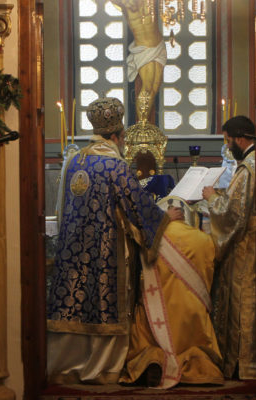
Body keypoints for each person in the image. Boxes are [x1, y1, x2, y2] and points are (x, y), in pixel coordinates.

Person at [47, 97, 184, 384]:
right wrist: (165, 217)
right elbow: (137, 207)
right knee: (103, 303)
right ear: (117, 136)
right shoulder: (115, 165)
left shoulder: (73, 161)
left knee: (74, 301)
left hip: (72, 251)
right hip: (105, 252)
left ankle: (63, 366)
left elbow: (60, 208)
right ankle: (103, 369)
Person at [119, 198, 224, 389]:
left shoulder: (148, 239)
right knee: (198, 347)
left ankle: (153, 360)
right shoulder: (204, 240)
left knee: (145, 339)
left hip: (155, 317)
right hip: (192, 318)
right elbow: (211, 273)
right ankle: (198, 365)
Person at [202, 115, 256, 380]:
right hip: (249, 242)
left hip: (245, 246)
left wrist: (211, 197)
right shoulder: (254, 162)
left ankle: (243, 363)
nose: (227, 146)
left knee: (242, 300)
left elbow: (231, 214)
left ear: (240, 138)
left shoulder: (248, 167)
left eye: (228, 141)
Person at [111, 0, 166, 121]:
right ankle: (141, 125)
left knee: (154, 89)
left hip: (159, 46)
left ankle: (145, 123)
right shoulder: (125, 2)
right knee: (147, 88)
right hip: (144, 49)